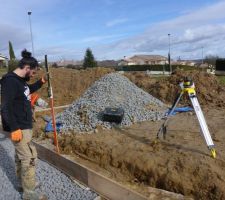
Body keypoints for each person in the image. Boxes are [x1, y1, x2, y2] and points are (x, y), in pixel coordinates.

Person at [0, 49, 47, 200]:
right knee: (30, 157)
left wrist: (40, 82)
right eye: (32, 73)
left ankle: (23, 183)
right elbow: (5, 106)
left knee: (21, 156)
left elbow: (27, 91)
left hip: (24, 125)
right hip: (19, 127)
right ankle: (29, 193)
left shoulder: (20, 82)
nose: (32, 75)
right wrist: (14, 128)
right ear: (27, 68)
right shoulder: (10, 81)